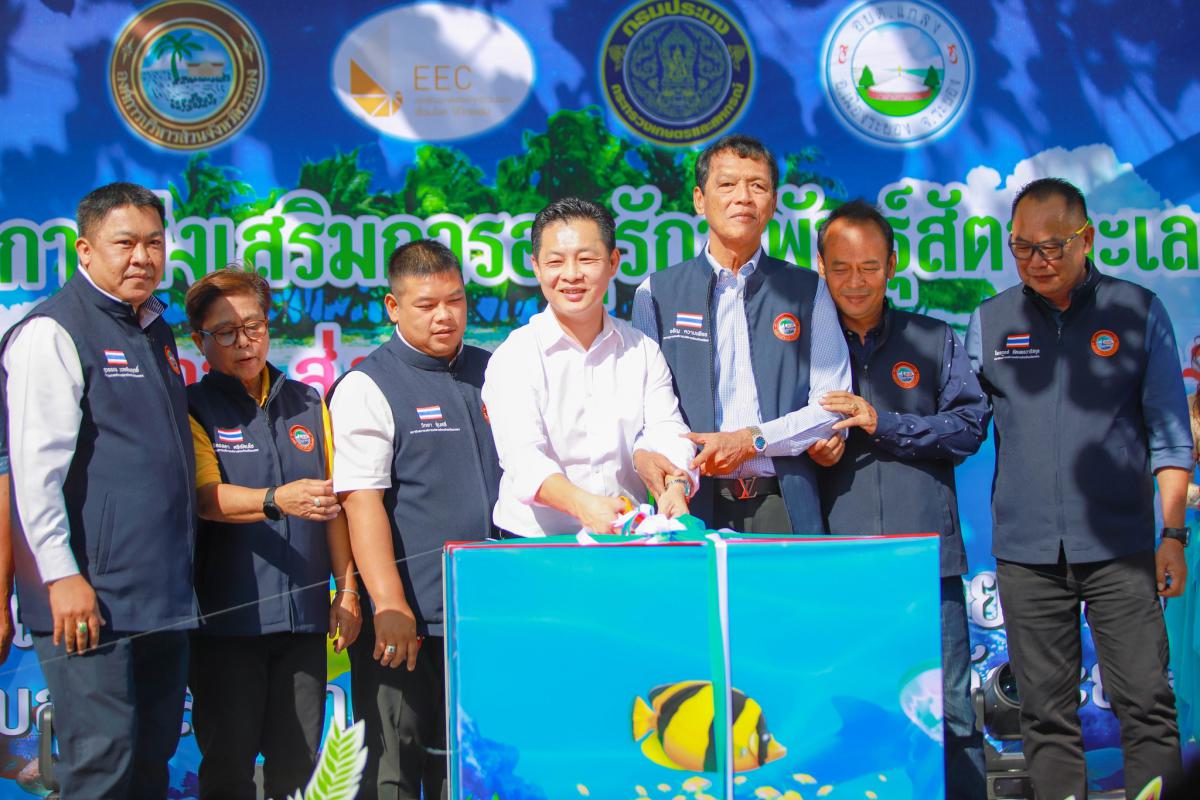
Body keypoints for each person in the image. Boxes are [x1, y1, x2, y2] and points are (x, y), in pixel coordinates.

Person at [966, 177, 1193, 799]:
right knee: (1045, 714)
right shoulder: (990, 321)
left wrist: (1172, 535)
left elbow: (1171, 435)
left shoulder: (1137, 311)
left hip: (1120, 548)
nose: (1036, 261)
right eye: (1022, 248)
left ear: (1086, 238)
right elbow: (960, 421)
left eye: (1052, 247)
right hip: (1027, 554)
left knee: (1146, 702)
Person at [0, 182, 197, 798]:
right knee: (102, 765)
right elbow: (35, 473)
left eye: (154, 243)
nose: (142, 257)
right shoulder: (53, 331)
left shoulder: (155, 329)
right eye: (125, 243)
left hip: (160, 596)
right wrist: (61, 577)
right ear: (85, 250)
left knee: (152, 759)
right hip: (89, 599)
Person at [810, 200, 989, 799]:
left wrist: (882, 423)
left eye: (869, 267)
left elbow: (969, 429)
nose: (855, 281)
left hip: (927, 561)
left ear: (891, 265)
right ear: (821, 267)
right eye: (840, 268)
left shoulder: (932, 339)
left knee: (950, 711)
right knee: (853, 711)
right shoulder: (803, 347)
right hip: (838, 561)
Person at [330, 239, 501, 800]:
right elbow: (361, 502)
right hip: (407, 625)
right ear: (393, 306)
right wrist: (388, 603)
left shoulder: (494, 372)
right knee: (393, 771)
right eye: (426, 304)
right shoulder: (367, 385)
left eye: (455, 300)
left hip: (485, 616)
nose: (444, 316)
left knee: (470, 772)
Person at [184, 267, 362, 800]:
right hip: (226, 626)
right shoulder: (191, 407)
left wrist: (347, 590)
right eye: (225, 332)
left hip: (303, 624)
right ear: (199, 340)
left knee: (299, 769)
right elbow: (206, 498)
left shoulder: (308, 401)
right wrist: (275, 500)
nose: (244, 342)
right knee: (228, 770)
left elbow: (334, 505)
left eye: (254, 326)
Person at [632, 133, 850, 534]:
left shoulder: (808, 290)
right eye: (727, 184)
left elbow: (832, 407)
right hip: (689, 504)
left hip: (783, 503)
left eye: (758, 186)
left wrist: (753, 440)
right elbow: (642, 411)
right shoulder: (656, 293)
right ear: (700, 200)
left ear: (774, 202)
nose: (743, 197)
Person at [483, 197, 696, 537]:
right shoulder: (514, 356)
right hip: (537, 544)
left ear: (613, 263)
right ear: (536, 267)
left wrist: (676, 482)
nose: (571, 275)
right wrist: (583, 505)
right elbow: (523, 458)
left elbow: (667, 428)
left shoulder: (642, 351)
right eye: (555, 261)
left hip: (624, 538)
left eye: (586, 259)